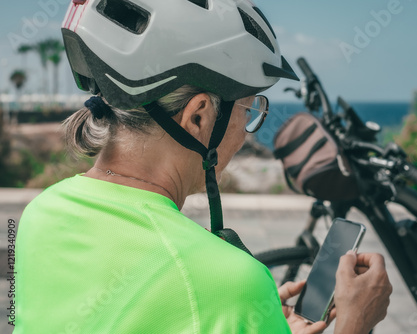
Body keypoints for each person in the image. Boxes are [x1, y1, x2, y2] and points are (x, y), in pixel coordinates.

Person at [14, 0, 392, 333]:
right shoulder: (228, 284)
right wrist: (356, 322)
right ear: (198, 115)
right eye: (249, 108)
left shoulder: (41, 214)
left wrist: (244, 319)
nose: (246, 133)